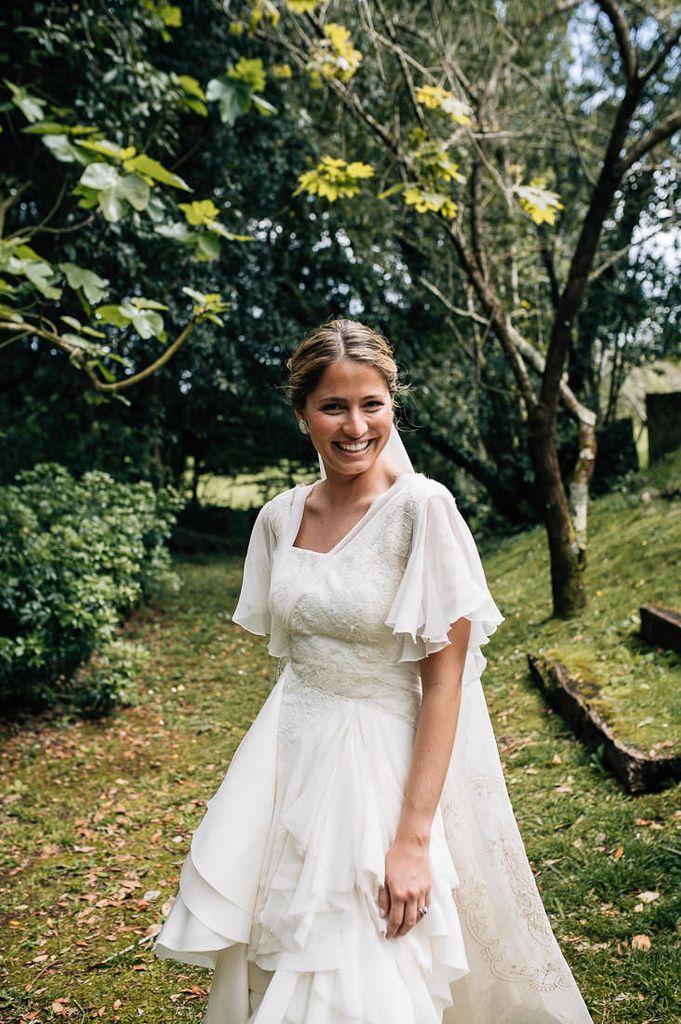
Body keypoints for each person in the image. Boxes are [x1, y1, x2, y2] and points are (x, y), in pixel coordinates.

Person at [154, 319, 594, 1023]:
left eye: (372, 405)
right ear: (302, 413)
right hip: (285, 760)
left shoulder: (423, 511)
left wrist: (411, 840)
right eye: (333, 406)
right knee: (283, 954)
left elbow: (444, 683)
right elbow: (296, 652)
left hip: (378, 770)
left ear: (393, 405)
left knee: (362, 970)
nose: (355, 427)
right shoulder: (278, 519)